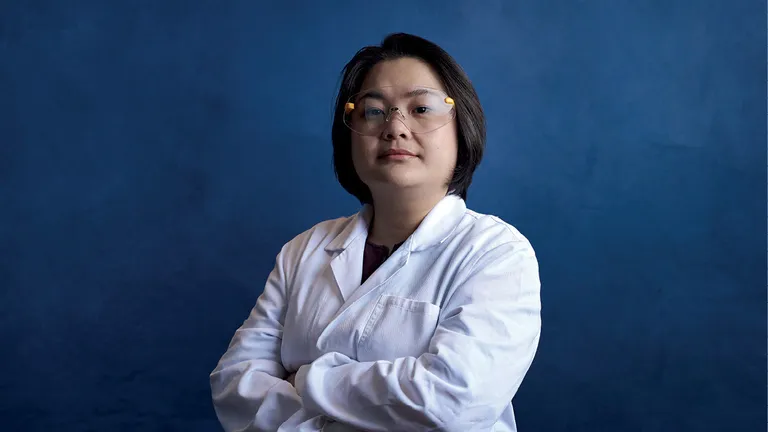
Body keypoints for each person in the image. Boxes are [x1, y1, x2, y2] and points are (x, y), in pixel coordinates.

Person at [209, 33, 542, 432]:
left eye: (421, 108)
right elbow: (233, 384)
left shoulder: (496, 253)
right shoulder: (303, 251)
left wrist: (305, 380)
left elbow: (453, 402)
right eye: (372, 111)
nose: (395, 127)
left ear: (462, 126)